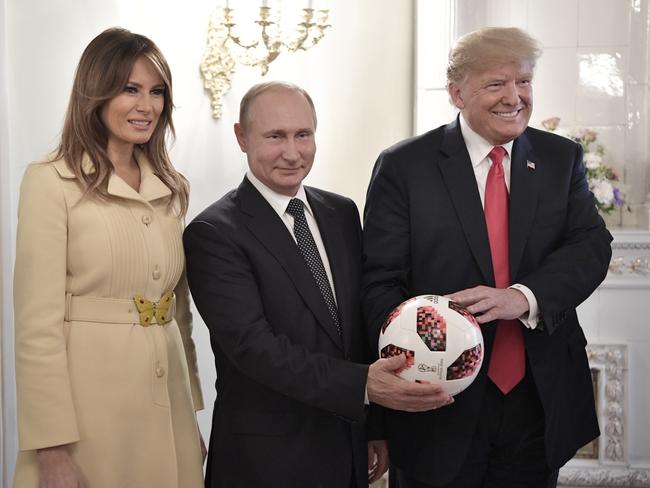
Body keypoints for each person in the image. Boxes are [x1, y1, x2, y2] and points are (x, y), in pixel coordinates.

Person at [362, 27, 612, 488]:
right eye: (496, 84)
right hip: (439, 401)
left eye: (523, 81)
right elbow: (379, 283)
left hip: (535, 398)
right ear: (457, 93)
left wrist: (523, 297)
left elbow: (591, 247)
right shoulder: (404, 167)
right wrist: (400, 378)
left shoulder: (561, 158)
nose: (513, 97)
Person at [183, 81, 451, 488]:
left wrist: (373, 426)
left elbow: (357, 327)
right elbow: (255, 348)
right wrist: (363, 386)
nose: (292, 153)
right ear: (242, 136)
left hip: (346, 447)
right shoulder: (214, 231)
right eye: (275, 136)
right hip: (265, 460)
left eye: (303, 135)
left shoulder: (341, 212)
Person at [13, 28, 205, 488]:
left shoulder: (171, 186)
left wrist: (190, 416)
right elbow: (36, 328)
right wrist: (52, 448)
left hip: (168, 407)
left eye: (157, 92)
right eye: (130, 89)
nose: (147, 106)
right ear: (94, 93)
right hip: (88, 419)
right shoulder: (49, 182)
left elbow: (179, 313)